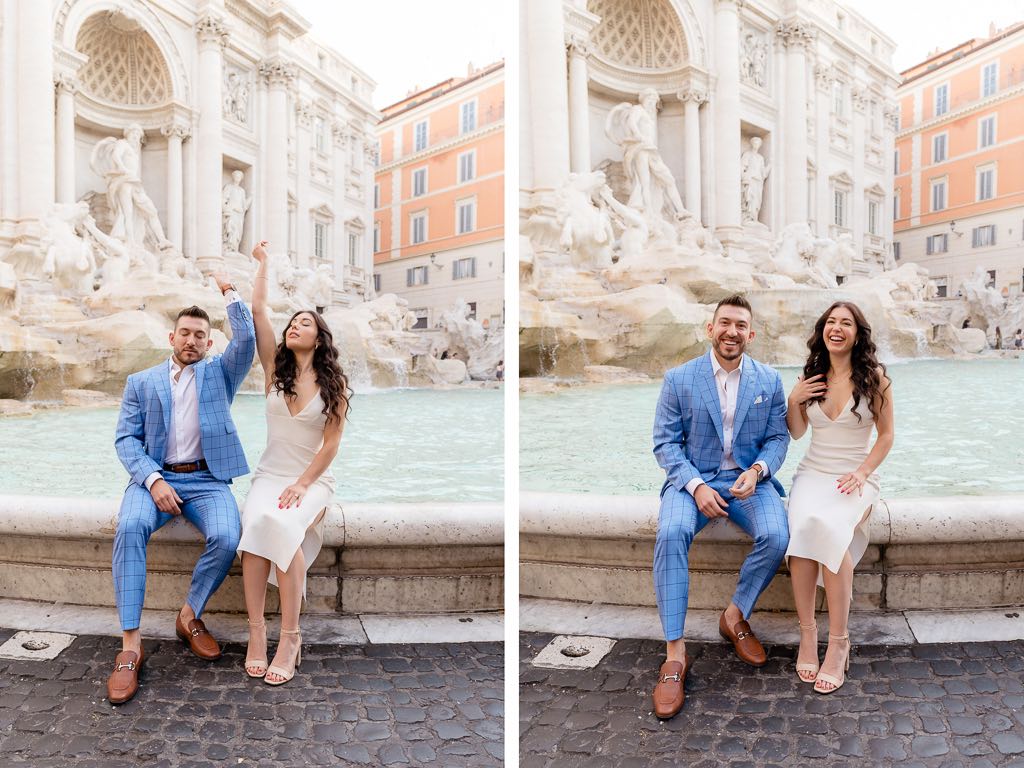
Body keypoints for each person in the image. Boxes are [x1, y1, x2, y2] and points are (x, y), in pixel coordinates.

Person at [108, 278, 256, 705]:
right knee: (131, 526)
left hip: (207, 480)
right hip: (154, 476)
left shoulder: (220, 375)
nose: (192, 341)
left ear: (209, 343)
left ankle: (189, 615)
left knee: (228, 536)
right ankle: (131, 645)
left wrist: (231, 295)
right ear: (172, 337)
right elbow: (125, 441)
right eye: (185, 334)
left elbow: (245, 340)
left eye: (200, 336)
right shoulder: (141, 381)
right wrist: (153, 480)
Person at [651, 295, 790, 719]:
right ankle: (675, 653)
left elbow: (779, 438)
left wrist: (760, 469)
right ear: (710, 329)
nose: (732, 331)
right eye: (724, 323)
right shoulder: (679, 378)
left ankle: (734, 615)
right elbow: (665, 443)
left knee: (778, 535)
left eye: (741, 325)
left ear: (752, 333)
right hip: (691, 479)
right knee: (671, 533)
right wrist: (694, 486)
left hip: (748, 481)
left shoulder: (769, 379)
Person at [238, 240, 351, 685]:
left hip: (312, 481)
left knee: (282, 526)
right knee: (254, 528)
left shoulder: (334, 385)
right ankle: (256, 634)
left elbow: (331, 445)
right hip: (270, 475)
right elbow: (259, 310)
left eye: (305, 323)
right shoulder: (274, 372)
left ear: (319, 337)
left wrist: (304, 484)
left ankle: (290, 636)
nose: (294, 326)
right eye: (293, 322)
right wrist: (263, 264)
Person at [785, 302, 894, 694]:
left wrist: (862, 473)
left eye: (845, 323)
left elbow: (885, 437)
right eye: (831, 321)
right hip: (812, 473)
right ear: (823, 330)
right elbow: (796, 433)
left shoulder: (875, 378)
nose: (837, 328)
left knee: (830, 529)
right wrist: (794, 398)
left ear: (857, 333)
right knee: (801, 531)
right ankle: (809, 634)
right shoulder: (811, 376)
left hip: (854, 476)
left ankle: (840, 641)